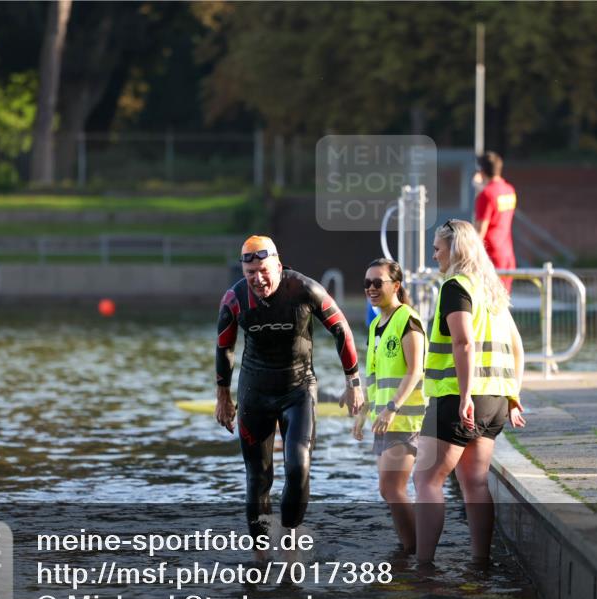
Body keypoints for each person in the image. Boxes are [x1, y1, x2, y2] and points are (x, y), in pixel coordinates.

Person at [214, 235, 364, 544]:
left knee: (298, 467)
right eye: (250, 273)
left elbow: (342, 330)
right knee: (258, 478)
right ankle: (259, 555)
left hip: (298, 389)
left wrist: (353, 383)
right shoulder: (234, 298)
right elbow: (224, 347)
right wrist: (223, 397)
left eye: (264, 271)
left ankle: (289, 539)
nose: (258, 280)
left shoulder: (303, 289)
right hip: (255, 392)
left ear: (279, 267)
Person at [414, 219, 526, 567]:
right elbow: (518, 347)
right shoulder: (491, 290)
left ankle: (423, 566)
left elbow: (463, 342)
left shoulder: (455, 286)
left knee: (426, 479)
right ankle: (480, 563)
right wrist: (513, 395)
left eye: (438, 249)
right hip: (495, 401)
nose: (434, 256)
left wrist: (464, 396)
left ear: (456, 250)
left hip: (459, 398)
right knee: (475, 483)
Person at [352, 259, 425, 555]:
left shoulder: (407, 319)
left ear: (395, 286)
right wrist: (363, 414)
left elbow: (415, 370)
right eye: (367, 283)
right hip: (383, 420)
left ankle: (418, 551)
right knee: (388, 490)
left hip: (405, 419)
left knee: (392, 488)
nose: (371, 288)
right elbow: (374, 378)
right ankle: (410, 549)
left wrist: (392, 408)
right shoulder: (375, 326)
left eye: (377, 282)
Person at [473, 151, 517, 293]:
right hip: (507, 255)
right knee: (503, 301)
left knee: (489, 301)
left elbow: (480, 231)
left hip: (490, 256)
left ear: (481, 171)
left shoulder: (486, 194)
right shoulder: (510, 190)